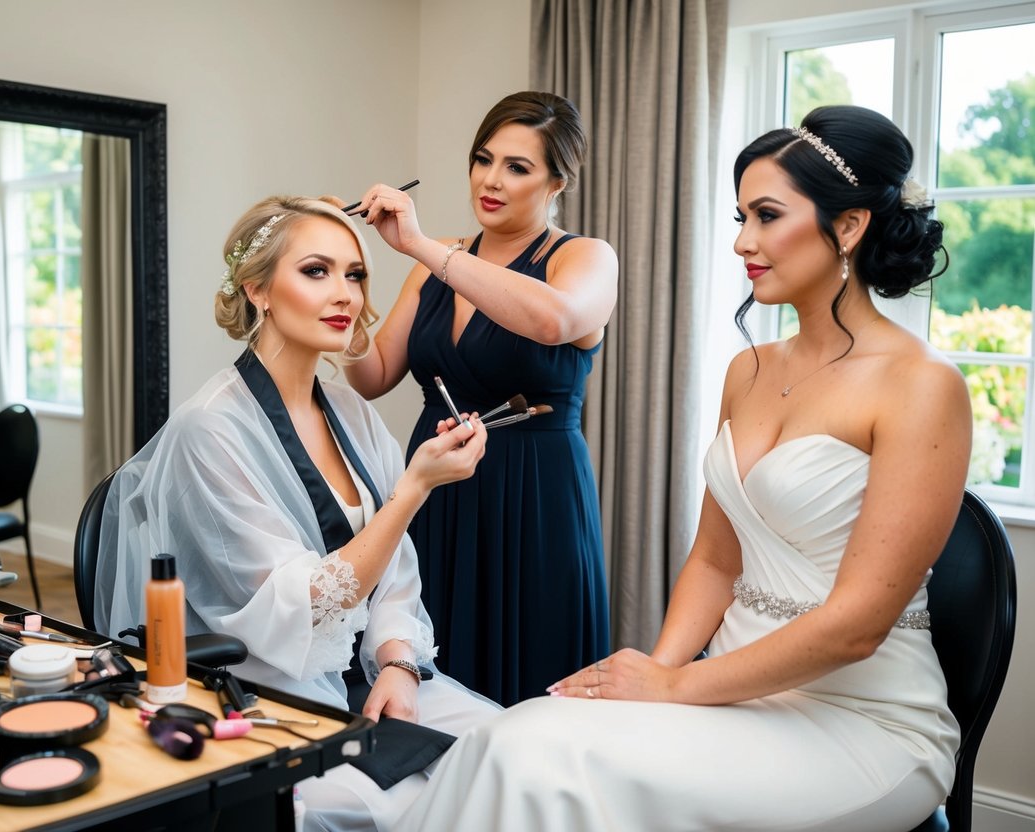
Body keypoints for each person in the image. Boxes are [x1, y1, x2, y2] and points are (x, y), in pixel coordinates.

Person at [398, 105, 971, 831]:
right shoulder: (748, 371)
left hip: (861, 721)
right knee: (505, 737)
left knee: (544, 770)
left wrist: (672, 686)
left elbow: (856, 627)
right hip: (725, 695)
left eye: (767, 217)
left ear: (849, 226)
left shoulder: (921, 386)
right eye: (740, 217)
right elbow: (713, 560)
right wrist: (651, 674)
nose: (742, 242)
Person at [94, 196, 500, 830]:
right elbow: (306, 604)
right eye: (316, 271)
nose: (344, 294)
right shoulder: (210, 430)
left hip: (373, 672)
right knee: (398, 807)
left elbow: (395, 573)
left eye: (354, 274)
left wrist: (399, 664)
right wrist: (414, 489)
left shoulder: (355, 414)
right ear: (257, 290)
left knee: (506, 754)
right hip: (273, 687)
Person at [344, 91, 619, 705]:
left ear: (557, 182)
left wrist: (421, 246)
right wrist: (344, 285)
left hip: (535, 494)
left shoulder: (584, 258)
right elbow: (373, 375)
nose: (491, 180)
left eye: (517, 167)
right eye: (483, 159)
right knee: (432, 665)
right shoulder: (436, 259)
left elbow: (553, 319)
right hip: (436, 486)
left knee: (533, 675)